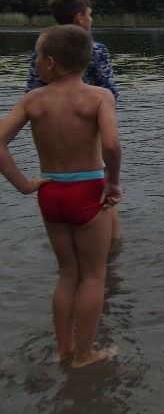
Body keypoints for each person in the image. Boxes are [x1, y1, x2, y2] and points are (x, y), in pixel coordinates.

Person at [0, 25, 122, 368]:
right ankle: (85, 354)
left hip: (51, 191)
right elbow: (111, 144)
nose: (36, 62)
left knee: (67, 274)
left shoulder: (33, 100)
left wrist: (24, 185)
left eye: (37, 56)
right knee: (94, 276)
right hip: (87, 190)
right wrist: (113, 183)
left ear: (50, 63)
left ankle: (64, 348)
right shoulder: (99, 96)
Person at [26, 0, 121, 239]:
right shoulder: (96, 48)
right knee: (101, 184)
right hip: (89, 122)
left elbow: (32, 91)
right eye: (90, 15)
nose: (91, 19)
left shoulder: (42, 49)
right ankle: (111, 247)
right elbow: (109, 89)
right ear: (79, 18)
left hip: (52, 128)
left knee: (58, 180)